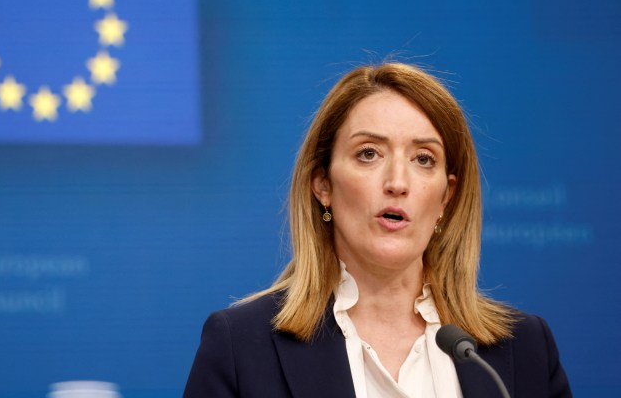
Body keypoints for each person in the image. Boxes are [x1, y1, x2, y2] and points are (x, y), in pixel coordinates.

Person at [184, 63, 571, 397]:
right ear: (323, 185)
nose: (397, 182)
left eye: (423, 159)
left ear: (446, 197)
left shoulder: (524, 350)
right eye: (369, 153)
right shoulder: (242, 349)